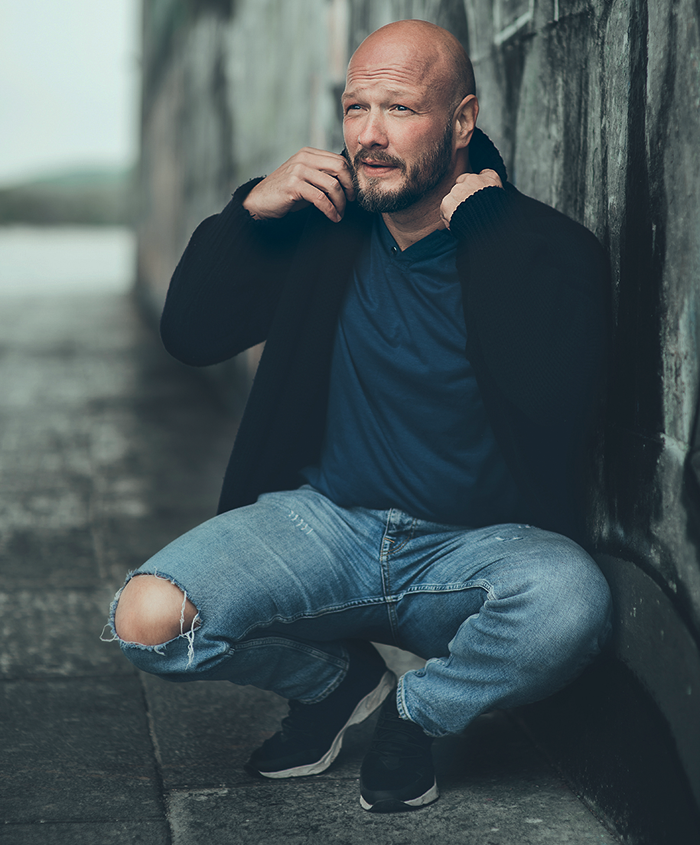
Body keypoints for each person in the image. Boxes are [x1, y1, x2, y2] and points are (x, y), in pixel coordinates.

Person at [107, 19, 612, 813]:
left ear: (462, 120)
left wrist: (487, 232)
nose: (369, 135)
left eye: (400, 109)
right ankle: (335, 681)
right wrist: (249, 211)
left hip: (469, 552)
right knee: (147, 619)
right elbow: (191, 334)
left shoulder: (547, 246)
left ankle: (418, 713)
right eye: (355, 108)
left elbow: (554, 396)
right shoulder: (324, 230)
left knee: (572, 600)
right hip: (328, 525)